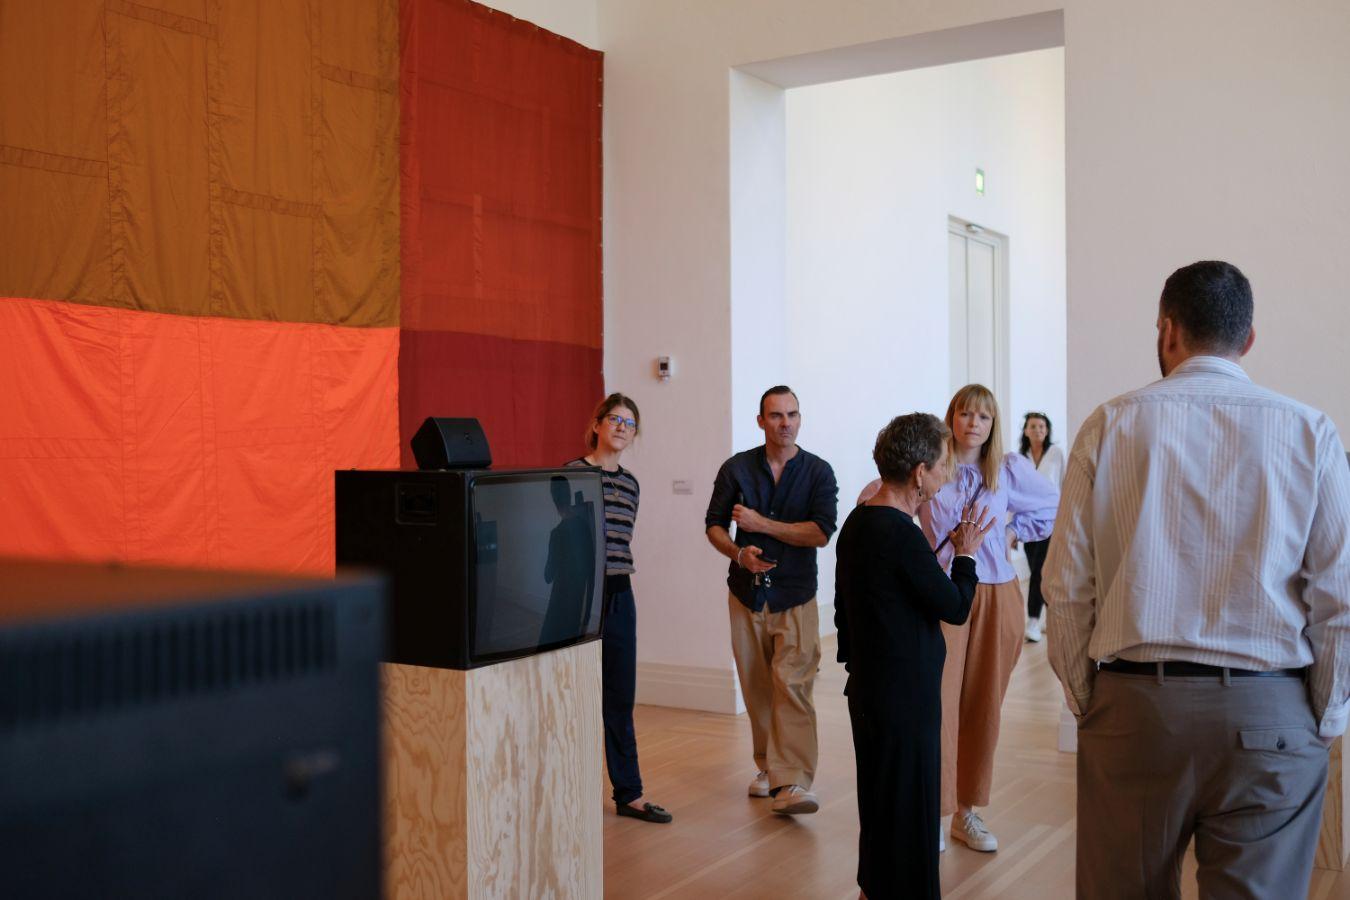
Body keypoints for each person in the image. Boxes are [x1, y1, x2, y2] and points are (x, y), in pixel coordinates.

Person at [1045, 260, 1350, 899]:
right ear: (1249, 340)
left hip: (1135, 708)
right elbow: (1339, 597)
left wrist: (1087, 697)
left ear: (1167, 331)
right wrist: (1322, 714)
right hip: (1272, 708)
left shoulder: (1110, 423)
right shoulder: (1310, 431)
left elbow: (1067, 584)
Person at [836, 413, 993, 899]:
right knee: (908, 809)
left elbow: (848, 611)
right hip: (902, 700)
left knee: (882, 804)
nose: (948, 474)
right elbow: (955, 606)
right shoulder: (901, 534)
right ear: (920, 472)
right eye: (943, 465)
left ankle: (872, 891)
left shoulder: (860, 522)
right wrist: (965, 554)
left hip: (872, 690)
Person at [919, 384, 1058, 852]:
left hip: (997, 592)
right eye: (965, 414)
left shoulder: (1009, 470)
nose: (973, 423)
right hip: (942, 592)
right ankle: (934, 813)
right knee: (938, 702)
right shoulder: (930, 464)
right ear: (951, 417)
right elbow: (887, 498)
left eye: (983, 416)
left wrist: (1015, 530)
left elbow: (1055, 506)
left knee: (984, 705)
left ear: (993, 423)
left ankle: (966, 812)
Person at [705, 385, 839, 815]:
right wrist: (737, 552)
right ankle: (769, 769)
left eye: (792, 414)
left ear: (800, 419)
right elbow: (713, 525)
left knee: (793, 686)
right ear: (760, 421)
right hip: (745, 595)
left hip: (796, 595)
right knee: (758, 688)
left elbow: (820, 532)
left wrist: (762, 523)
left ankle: (794, 782)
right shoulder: (736, 469)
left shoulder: (818, 472)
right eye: (776, 415)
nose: (786, 423)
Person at [566, 393, 671, 824]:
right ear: (597, 424)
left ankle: (629, 793)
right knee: (572, 695)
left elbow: (620, 542)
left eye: (630, 423)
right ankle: (567, 786)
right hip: (577, 596)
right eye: (615, 419)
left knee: (619, 697)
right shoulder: (571, 472)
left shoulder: (630, 483)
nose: (622, 427)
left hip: (619, 594)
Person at [1016, 412, 1065, 642]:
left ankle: (1033, 621)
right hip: (1026, 523)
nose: (1038, 430)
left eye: (1042, 426)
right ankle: (1053, 617)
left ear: (1047, 430)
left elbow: (1065, 486)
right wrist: (1012, 529)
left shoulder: (1056, 454)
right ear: (1026, 430)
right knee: (1042, 571)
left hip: (1051, 521)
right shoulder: (1019, 459)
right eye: (1033, 426)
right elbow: (1013, 494)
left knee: (1038, 571)